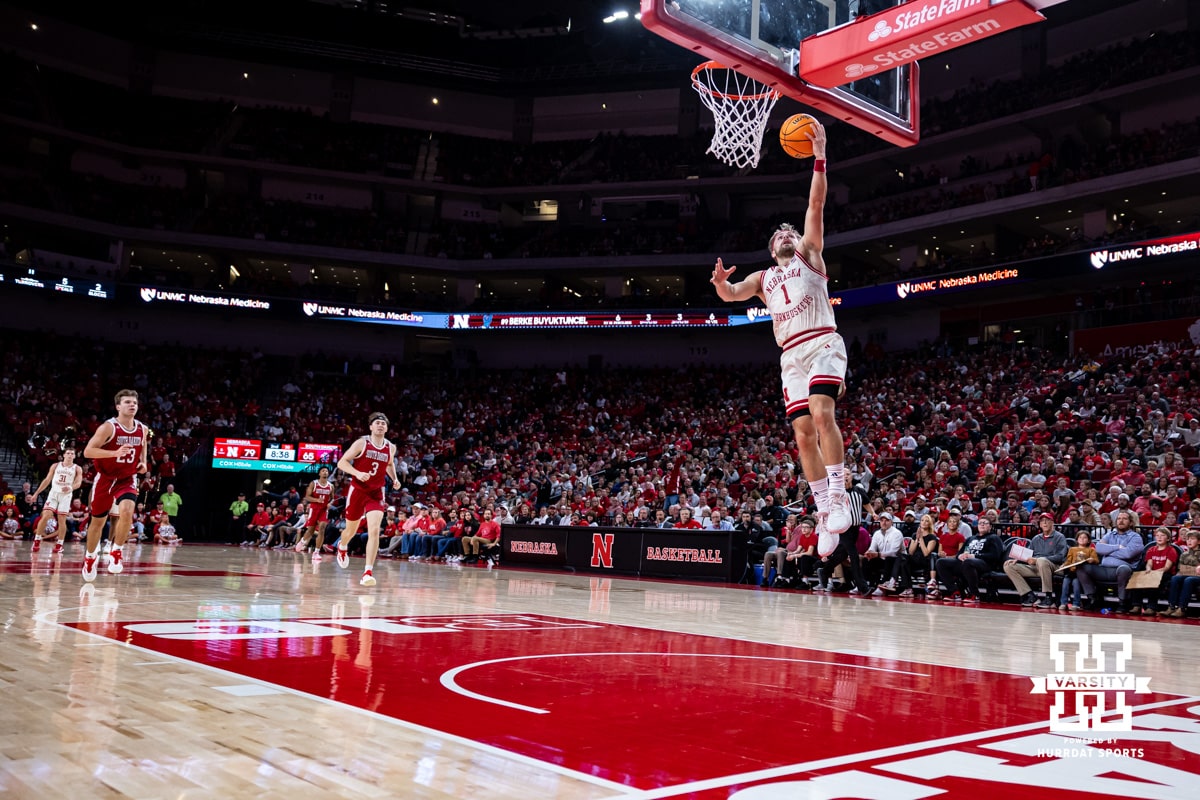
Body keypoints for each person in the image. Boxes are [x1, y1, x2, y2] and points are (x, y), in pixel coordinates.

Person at [711, 120, 851, 552]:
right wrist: (719, 284)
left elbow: (816, 204)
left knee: (823, 412)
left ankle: (841, 493)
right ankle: (824, 511)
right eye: (780, 234)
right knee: (803, 434)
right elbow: (733, 294)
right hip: (790, 356)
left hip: (823, 340)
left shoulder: (809, 255)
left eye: (791, 231)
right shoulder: (765, 277)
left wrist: (820, 157)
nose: (788, 234)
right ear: (773, 248)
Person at [81, 390, 149, 581]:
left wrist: (143, 462)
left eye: (134, 402)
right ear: (118, 406)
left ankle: (116, 551)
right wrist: (115, 453)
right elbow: (88, 451)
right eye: (127, 402)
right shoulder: (108, 428)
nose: (132, 405)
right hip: (105, 478)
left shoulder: (142, 428)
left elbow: (143, 445)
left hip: (127, 478)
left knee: (127, 511)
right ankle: (90, 556)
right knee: (97, 523)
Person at [334, 412, 401, 586]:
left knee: (374, 530)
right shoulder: (361, 443)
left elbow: (389, 464)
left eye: (383, 423)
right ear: (371, 427)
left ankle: (367, 572)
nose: (380, 425)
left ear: (386, 428)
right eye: (377, 423)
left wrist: (394, 478)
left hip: (376, 492)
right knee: (351, 530)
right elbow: (341, 462)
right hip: (358, 490)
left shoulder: (390, 447)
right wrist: (357, 473)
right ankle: (342, 546)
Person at [1076, 509, 1145, 613]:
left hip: (1122, 570)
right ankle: (1093, 598)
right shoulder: (1110, 534)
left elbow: (1128, 554)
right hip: (1104, 569)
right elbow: (1098, 548)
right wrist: (1118, 547)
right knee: (1081, 567)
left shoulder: (1136, 537)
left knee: (1124, 569)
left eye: (1124, 519)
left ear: (1131, 522)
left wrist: (1108, 552)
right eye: (1119, 519)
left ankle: (1123, 602)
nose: (1121, 521)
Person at [932, 517, 1005, 604]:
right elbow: (961, 552)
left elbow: (995, 555)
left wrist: (974, 556)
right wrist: (960, 556)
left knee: (968, 562)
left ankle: (974, 594)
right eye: (980, 523)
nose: (982, 524)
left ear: (990, 527)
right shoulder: (971, 539)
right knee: (941, 562)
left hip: (985, 564)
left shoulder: (993, 538)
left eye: (985, 523)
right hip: (966, 563)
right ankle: (955, 592)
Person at [1002, 512, 1068, 608]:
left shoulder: (1059, 537)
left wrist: (1037, 560)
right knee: (1008, 566)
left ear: (1052, 523)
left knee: (1041, 560)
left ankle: (1048, 598)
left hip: (1054, 567)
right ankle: (1029, 595)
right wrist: (1018, 560)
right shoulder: (1036, 538)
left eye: (1047, 521)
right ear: (1040, 524)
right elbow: (1029, 555)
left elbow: (1060, 556)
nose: (1044, 523)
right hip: (1036, 568)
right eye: (1042, 521)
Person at [31, 445, 82, 554]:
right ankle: (37, 540)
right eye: (68, 453)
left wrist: (70, 487)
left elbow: (78, 482)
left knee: (61, 519)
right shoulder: (55, 466)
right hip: (53, 493)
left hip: (66, 495)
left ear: (74, 456)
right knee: (45, 516)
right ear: (64, 455)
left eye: (72, 454)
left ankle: (59, 544)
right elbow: (47, 480)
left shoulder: (77, 468)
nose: (70, 455)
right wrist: (36, 493)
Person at [1127, 527, 1177, 615]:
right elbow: (1149, 563)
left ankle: (1151, 607)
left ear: (1168, 538)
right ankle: (1137, 605)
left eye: (1162, 535)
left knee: (1155, 582)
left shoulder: (1171, 550)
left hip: (1165, 574)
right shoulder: (1151, 549)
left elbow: (1167, 567)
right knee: (1137, 579)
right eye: (1157, 535)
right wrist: (1149, 569)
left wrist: (1156, 573)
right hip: (1152, 572)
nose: (1159, 538)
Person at [294, 466, 335, 558]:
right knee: (311, 530)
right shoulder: (314, 483)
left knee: (322, 529)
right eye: (323, 471)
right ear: (319, 473)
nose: (325, 472)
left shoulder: (331, 486)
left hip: (324, 510)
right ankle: (303, 541)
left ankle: (316, 552)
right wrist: (317, 500)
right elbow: (307, 497)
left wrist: (330, 503)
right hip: (314, 508)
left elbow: (332, 498)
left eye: (326, 471)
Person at [1162, 529, 1200, 617]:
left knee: (1188, 580)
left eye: (1192, 539)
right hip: (1187, 574)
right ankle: (1171, 606)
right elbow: (1180, 568)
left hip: (1197, 577)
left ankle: (1182, 608)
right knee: (1175, 578)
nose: (1189, 541)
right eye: (1188, 539)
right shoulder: (1184, 554)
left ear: (1198, 541)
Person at [1058, 530, 1099, 611]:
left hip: (1080, 573)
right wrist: (1064, 565)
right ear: (1077, 539)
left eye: (1085, 538)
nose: (1082, 539)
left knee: (1076, 584)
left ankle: (1076, 603)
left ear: (1088, 540)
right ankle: (1063, 603)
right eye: (1080, 537)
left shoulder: (1091, 550)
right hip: (1071, 572)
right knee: (1065, 583)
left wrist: (1092, 560)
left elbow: (1096, 560)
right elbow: (1069, 560)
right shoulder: (1072, 549)